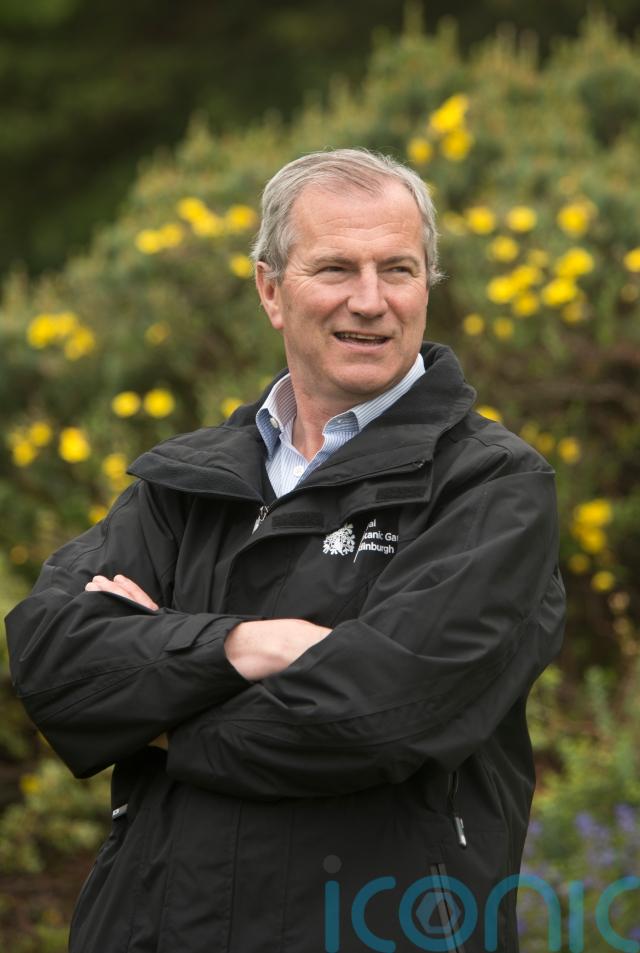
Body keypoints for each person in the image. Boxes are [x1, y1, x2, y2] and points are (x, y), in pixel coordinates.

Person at [6, 148, 565, 953]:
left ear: (427, 286)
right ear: (270, 289)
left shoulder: (492, 487)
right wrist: (246, 644)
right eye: (336, 268)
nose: (370, 300)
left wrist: (160, 720)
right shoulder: (184, 483)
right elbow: (55, 661)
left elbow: (376, 715)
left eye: (398, 269)